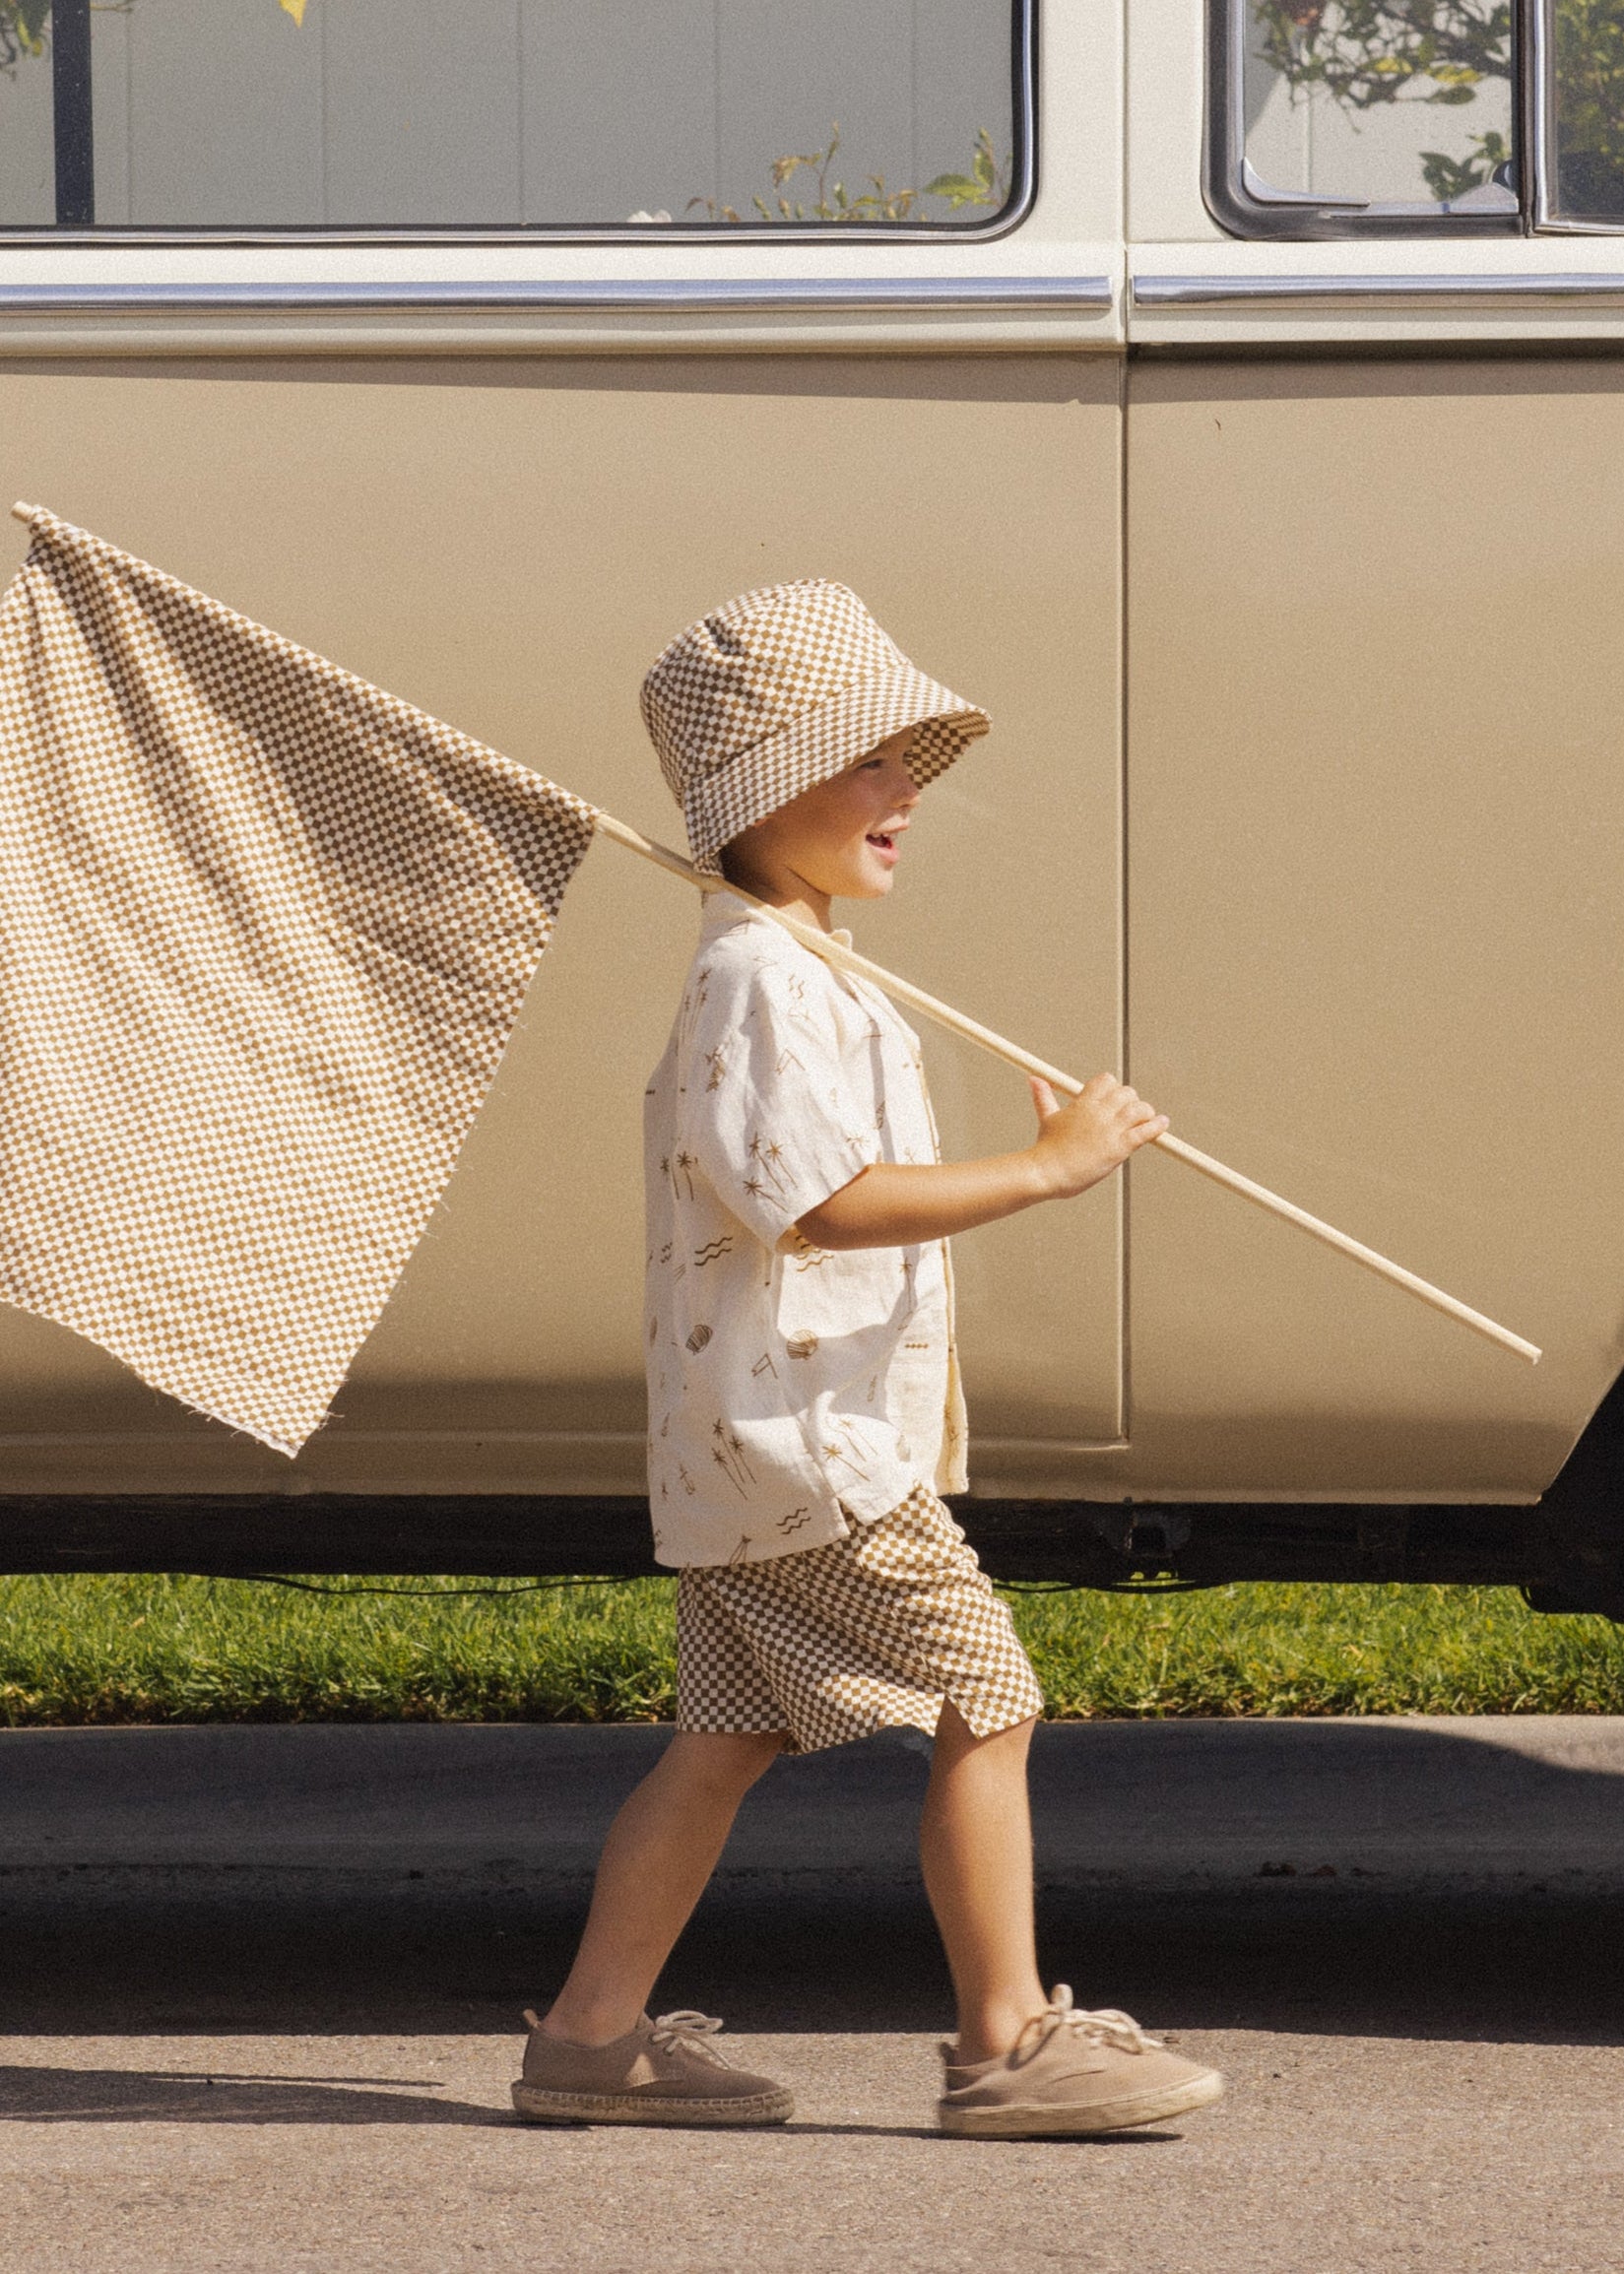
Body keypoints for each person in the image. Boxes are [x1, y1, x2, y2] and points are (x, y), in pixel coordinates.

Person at [513, 580, 1224, 2138]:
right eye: (868, 760)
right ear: (766, 790)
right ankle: (1006, 2040)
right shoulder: (758, 976)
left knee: (723, 1741)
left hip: (759, 1438)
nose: (906, 789)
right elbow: (819, 1206)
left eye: (909, 758)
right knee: (991, 1694)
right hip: (803, 1443)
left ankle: (587, 2037)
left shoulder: (800, 958)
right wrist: (1047, 1171)